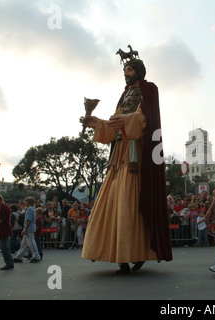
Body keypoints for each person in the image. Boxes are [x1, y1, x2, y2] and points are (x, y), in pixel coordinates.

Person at [81, 46, 172, 274]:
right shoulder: (124, 95)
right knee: (113, 199)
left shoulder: (149, 89)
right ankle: (120, 255)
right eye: (125, 69)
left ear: (139, 71)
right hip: (120, 151)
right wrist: (97, 122)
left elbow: (144, 118)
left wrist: (123, 120)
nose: (126, 72)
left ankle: (138, 251)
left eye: (130, 68)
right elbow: (114, 125)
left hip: (137, 150)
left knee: (130, 199)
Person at [14, 196, 41, 263]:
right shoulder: (31, 209)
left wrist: (25, 229)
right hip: (28, 227)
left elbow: (28, 220)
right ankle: (19, 256)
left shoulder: (30, 209)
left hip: (29, 228)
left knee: (31, 242)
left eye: (25, 201)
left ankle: (36, 256)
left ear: (28, 202)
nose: (24, 202)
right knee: (24, 243)